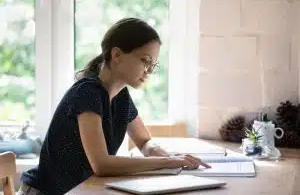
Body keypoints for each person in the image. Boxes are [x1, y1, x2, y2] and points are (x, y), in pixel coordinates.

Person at [17, 18, 210, 195]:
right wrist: (167, 162)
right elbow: (101, 165)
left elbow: (144, 142)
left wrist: (168, 156)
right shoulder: (87, 93)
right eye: (145, 60)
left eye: (154, 64)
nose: (150, 71)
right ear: (116, 55)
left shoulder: (121, 96)